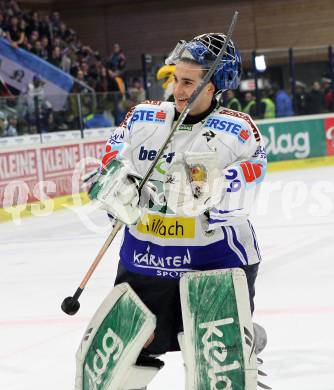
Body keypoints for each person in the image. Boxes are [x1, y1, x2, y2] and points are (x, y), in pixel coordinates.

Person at [86, 33, 267, 389]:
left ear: (214, 86)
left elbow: (248, 187)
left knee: (215, 373)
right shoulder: (143, 118)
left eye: (189, 81)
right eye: (174, 78)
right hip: (143, 264)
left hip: (212, 267)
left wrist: (211, 191)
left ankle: (244, 343)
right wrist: (115, 189)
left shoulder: (239, 130)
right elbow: (110, 158)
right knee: (109, 374)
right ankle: (246, 335)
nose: (178, 89)